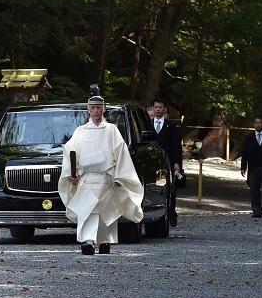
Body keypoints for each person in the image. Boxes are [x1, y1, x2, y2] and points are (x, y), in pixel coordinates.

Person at [58, 86, 144, 255]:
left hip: (106, 177)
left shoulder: (111, 130)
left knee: (105, 211)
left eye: (99, 108)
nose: (96, 111)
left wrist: (120, 176)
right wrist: (71, 174)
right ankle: (87, 241)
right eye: (93, 108)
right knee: (87, 210)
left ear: (104, 109)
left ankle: (105, 241)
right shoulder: (80, 131)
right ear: (88, 110)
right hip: (86, 178)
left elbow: (121, 152)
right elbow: (70, 152)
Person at [150, 98, 182, 226]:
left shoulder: (171, 126)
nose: (158, 109)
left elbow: (176, 146)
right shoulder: (148, 124)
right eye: (156, 107)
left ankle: (171, 212)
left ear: (165, 109)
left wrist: (177, 162)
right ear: (152, 108)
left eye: (160, 107)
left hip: (167, 161)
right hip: (151, 161)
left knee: (170, 188)